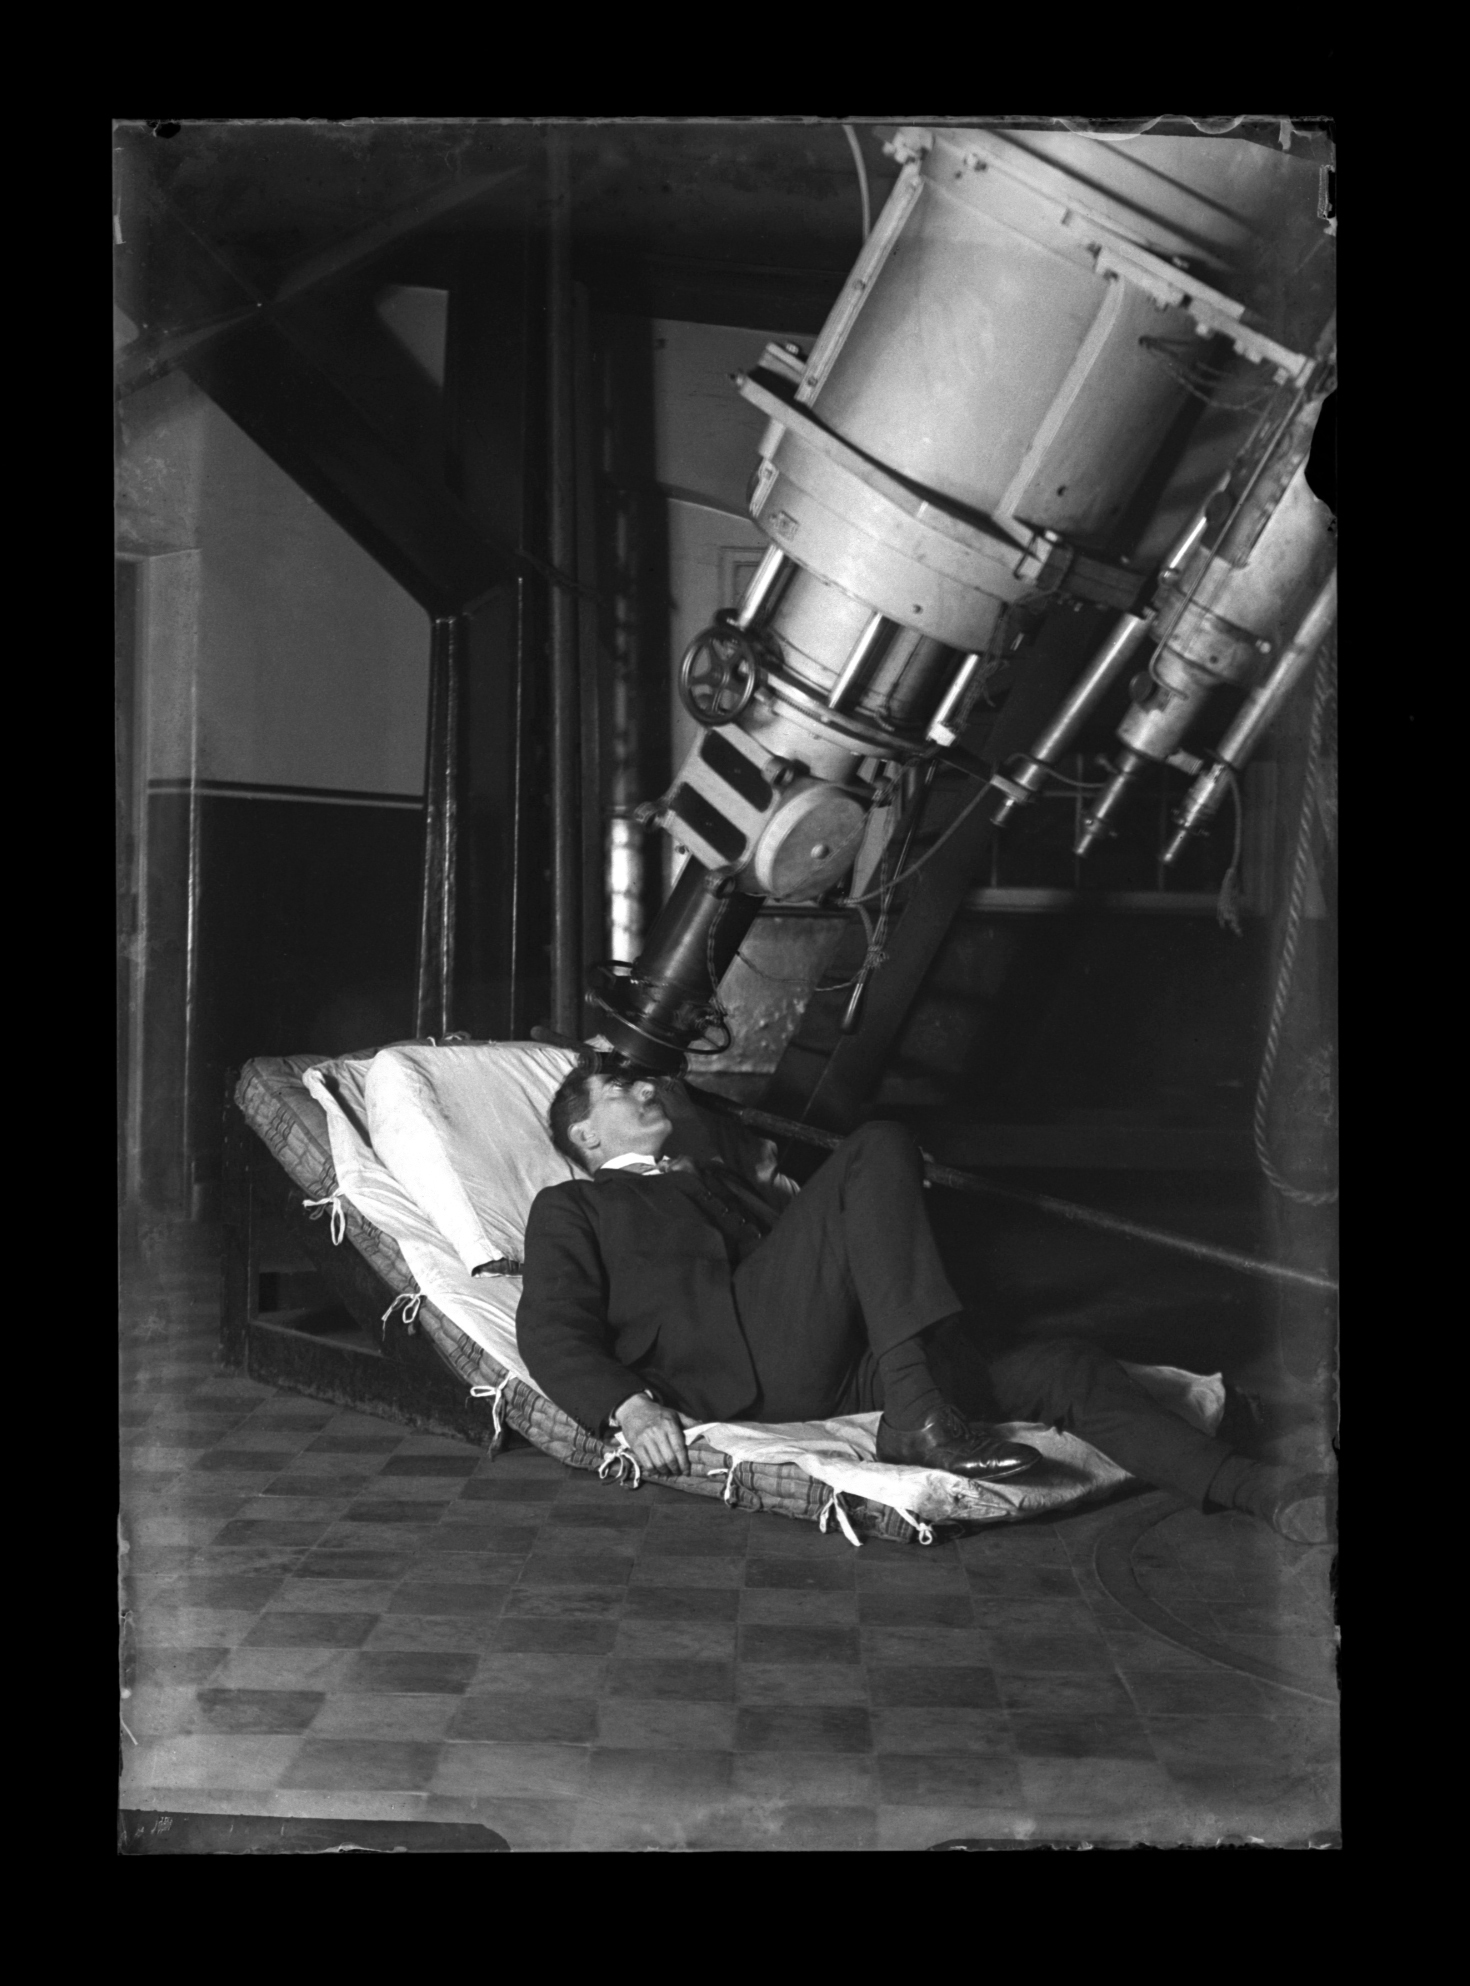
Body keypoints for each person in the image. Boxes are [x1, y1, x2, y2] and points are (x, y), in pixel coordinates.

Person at [516, 1069, 1331, 1544]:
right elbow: (550, 1327)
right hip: (744, 1368)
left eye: (644, 1077)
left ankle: (1262, 1493)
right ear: (585, 1137)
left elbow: (845, 1259)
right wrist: (628, 1407)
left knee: (1066, 1367)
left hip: (848, 1363)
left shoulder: (727, 1181)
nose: (645, 1085)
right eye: (618, 1087)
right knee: (877, 1142)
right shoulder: (574, 1206)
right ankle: (918, 1411)